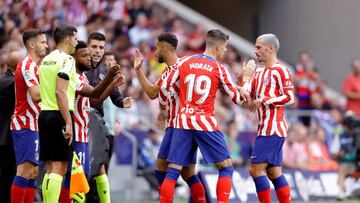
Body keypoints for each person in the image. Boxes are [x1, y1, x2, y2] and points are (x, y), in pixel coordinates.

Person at [160, 29, 252, 203]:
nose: (225, 51)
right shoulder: (219, 68)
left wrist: (164, 109)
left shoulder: (183, 62)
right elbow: (239, 99)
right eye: (225, 47)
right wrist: (245, 79)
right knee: (226, 168)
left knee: (173, 171)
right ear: (218, 45)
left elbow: (165, 87)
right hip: (205, 123)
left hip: (182, 122)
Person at [133, 32, 206, 202]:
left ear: (164, 48)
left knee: (169, 170)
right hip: (173, 125)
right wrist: (138, 71)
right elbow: (153, 93)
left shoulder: (183, 67)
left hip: (184, 126)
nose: (155, 53)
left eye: (157, 48)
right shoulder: (167, 72)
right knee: (182, 172)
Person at [59, 41, 123, 203]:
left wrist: (113, 83)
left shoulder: (81, 76)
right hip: (76, 134)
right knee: (76, 178)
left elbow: (95, 101)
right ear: (74, 57)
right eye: (84, 55)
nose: (89, 58)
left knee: (83, 175)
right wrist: (110, 77)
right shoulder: (72, 75)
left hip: (84, 134)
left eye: (89, 54)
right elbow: (94, 93)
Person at [245, 33, 295, 203]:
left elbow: (290, 97)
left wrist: (264, 101)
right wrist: (243, 78)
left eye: (259, 47)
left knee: (255, 170)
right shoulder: (258, 73)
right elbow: (246, 96)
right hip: (264, 129)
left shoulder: (281, 70)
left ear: (270, 48)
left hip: (272, 129)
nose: (256, 51)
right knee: (274, 173)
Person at [85, 32, 133, 203]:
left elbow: (115, 96)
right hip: (79, 124)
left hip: (97, 126)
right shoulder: (78, 66)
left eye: (101, 48)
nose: (97, 51)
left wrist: (122, 102)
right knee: (78, 170)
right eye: (94, 47)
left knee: (100, 168)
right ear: (87, 46)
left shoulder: (106, 71)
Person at [38, 24, 78, 203]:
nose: (76, 43)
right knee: (60, 166)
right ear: (68, 38)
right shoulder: (67, 60)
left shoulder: (46, 59)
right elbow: (60, 92)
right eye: (75, 39)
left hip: (45, 113)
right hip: (59, 114)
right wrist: (68, 122)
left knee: (49, 167)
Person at [10, 28, 48, 203]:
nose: (46, 45)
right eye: (43, 42)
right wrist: (55, 83)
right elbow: (35, 94)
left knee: (33, 172)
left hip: (33, 124)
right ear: (32, 45)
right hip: (24, 124)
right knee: (24, 171)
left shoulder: (35, 66)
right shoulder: (27, 65)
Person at [0, 51, 22, 203]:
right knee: (10, 175)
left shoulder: (1, 80)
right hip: (10, 136)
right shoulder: (15, 83)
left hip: (3, 135)